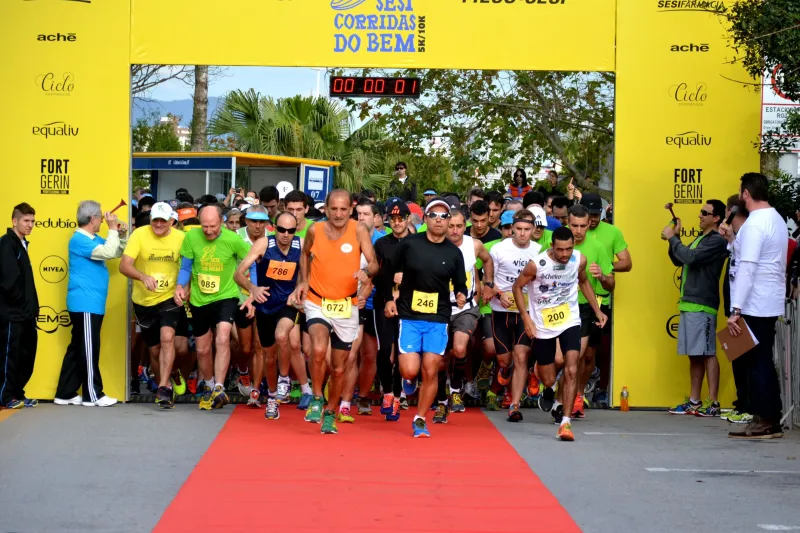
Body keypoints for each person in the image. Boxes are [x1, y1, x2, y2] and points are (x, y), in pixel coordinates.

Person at [289, 189, 378, 435]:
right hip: (317, 301)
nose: (338, 214)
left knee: (339, 367)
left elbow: (373, 262)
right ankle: (317, 398)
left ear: (351, 209)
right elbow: (304, 255)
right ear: (325, 209)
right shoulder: (314, 230)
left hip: (346, 305)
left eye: (343, 209)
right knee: (317, 349)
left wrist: (367, 273)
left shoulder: (358, 230)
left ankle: (330, 412)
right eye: (333, 208)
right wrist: (304, 281)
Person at [514, 227, 607, 441]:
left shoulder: (579, 260)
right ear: (552, 247)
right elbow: (517, 287)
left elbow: (583, 282)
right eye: (560, 250)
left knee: (572, 367)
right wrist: (526, 317)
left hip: (569, 320)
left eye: (569, 249)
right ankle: (550, 388)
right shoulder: (537, 264)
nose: (565, 254)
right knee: (547, 378)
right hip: (543, 324)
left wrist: (597, 310)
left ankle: (565, 423)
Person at [385, 198, 467, 437]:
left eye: (444, 216)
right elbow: (389, 269)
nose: (439, 220)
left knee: (431, 370)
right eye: (434, 215)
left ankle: (420, 419)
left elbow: (460, 283)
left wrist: (461, 294)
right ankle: (408, 381)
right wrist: (391, 297)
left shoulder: (454, 253)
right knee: (411, 370)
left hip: (438, 317)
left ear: (450, 220)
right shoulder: (410, 244)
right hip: (409, 315)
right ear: (426, 219)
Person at [727, 173, 787, 439]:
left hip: (754, 303)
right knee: (760, 359)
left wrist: (736, 308)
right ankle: (767, 416)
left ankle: (766, 419)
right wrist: (732, 240)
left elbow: (748, 267)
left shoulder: (754, 224)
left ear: (746, 194)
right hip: (768, 299)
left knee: (756, 361)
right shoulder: (775, 219)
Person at [175, 205, 250, 411]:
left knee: (223, 337)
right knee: (202, 348)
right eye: (204, 226)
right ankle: (208, 385)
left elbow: (251, 262)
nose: (208, 231)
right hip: (199, 299)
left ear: (222, 222)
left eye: (213, 226)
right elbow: (186, 266)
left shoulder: (233, 239)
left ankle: (219, 386)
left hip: (226, 295)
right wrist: (180, 286)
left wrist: (252, 292)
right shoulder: (191, 238)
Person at [54, 200, 127, 407]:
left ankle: (65, 392)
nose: (103, 221)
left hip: (90, 302)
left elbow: (115, 250)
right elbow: (107, 252)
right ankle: (93, 394)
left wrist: (119, 235)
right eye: (100, 217)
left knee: (78, 347)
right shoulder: (79, 240)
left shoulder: (93, 238)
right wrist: (113, 230)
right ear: (92, 219)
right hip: (86, 302)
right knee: (89, 348)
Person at [237, 211, 305, 420]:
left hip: (288, 303)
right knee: (268, 357)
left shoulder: (300, 245)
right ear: (273, 228)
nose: (285, 234)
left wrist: (299, 289)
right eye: (281, 230)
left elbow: (307, 274)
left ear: (296, 231)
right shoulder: (263, 244)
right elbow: (238, 273)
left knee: (282, 335)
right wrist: (253, 289)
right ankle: (273, 398)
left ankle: (285, 378)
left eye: (290, 230)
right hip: (266, 303)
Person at [663, 200, 728, 417]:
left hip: (703, 305)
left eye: (704, 213)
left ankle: (714, 402)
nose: (699, 215)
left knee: (708, 352)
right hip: (690, 303)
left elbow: (690, 257)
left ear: (716, 218)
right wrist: (676, 237)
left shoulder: (717, 240)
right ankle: (694, 401)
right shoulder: (702, 238)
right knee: (695, 355)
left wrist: (673, 238)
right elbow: (680, 259)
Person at [120, 202, 187, 409]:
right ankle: (167, 377)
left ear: (171, 221)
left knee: (168, 339)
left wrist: (183, 288)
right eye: (155, 220)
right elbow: (124, 265)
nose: (158, 224)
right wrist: (142, 277)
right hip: (144, 300)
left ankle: (164, 388)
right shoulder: (139, 234)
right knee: (155, 351)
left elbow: (188, 266)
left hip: (169, 297)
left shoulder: (181, 238)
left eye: (163, 220)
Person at [433, 209, 494, 419]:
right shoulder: (433, 245)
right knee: (440, 359)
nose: (455, 231)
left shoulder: (473, 245)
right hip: (438, 309)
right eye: (452, 226)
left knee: (459, 349)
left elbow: (488, 260)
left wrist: (488, 284)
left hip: (465, 308)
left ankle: (457, 390)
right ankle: (442, 401)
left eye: (460, 226)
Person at [485, 210, 542, 415]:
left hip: (525, 312)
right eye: (518, 229)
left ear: (534, 230)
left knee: (520, 357)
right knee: (505, 360)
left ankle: (514, 405)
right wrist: (499, 294)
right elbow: (487, 279)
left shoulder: (539, 250)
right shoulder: (499, 249)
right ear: (512, 228)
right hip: (501, 310)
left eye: (527, 229)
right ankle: (503, 371)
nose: (522, 233)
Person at [374, 200, 411, 421]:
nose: (396, 223)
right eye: (393, 219)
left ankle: (398, 397)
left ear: (408, 219)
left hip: (408, 305)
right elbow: (376, 273)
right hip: (383, 302)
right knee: (384, 349)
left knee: (401, 352)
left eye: (400, 219)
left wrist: (405, 281)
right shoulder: (382, 244)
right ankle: (387, 392)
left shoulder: (416, 243)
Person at [0, 203, 39, 409]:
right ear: (14, 221)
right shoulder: (7, 243)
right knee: (9, 357)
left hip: (25, 314)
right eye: (26, 221)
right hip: (12, 314)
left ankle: (17, 393)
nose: (30, 225)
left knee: (25, 356)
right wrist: (21, 306)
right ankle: (4, 396)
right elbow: (8, 281)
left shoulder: (22, 244)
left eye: (32, 221)